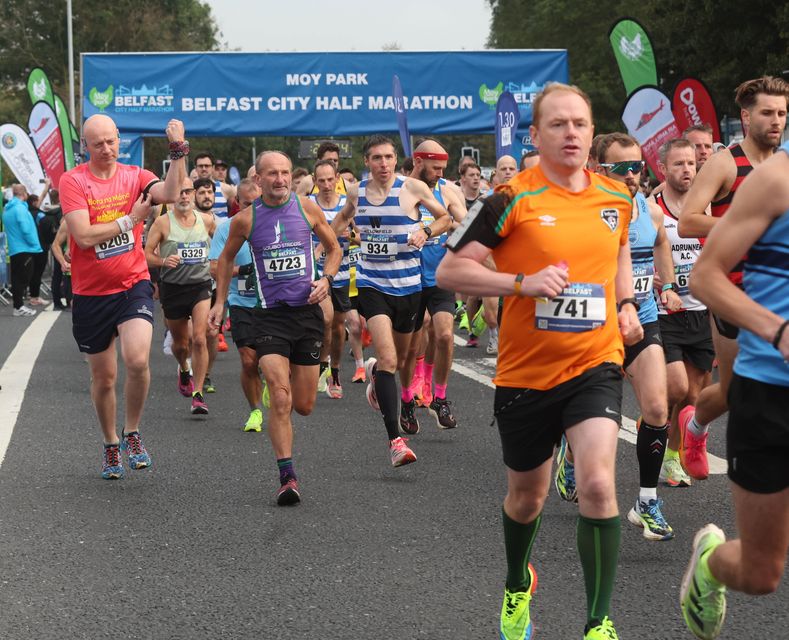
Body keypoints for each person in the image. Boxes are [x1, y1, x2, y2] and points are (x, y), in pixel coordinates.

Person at [436, 83, 642, 640]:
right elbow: (450, 273)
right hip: (525, 375)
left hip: (595, 362)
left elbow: (619, 249)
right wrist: (520, 284)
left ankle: (598, 621)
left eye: (579, 123)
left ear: (592, 133)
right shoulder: (506, 199)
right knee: (527, 497)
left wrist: (624, 303)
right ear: (535, 135)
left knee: (599, 485)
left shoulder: (616, 198)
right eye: (558, 124)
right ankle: (514, 583)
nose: (571, 133)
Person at [679, 138, 789, 640]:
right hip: (769, 390)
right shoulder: (774, 180)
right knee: (761, 573)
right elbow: (705, 277)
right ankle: (710, 564)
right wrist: (777, 330)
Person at [208, 150, 340, 505]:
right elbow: (223, 260)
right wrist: (220, 302)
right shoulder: (245, 221)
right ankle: (287, 476)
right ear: (258, 179)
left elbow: (334, 248)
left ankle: (290, 390)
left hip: (306, 315)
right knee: (280, 399)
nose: (280, 179)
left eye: (285, 173)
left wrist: (326, 279)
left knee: (306, 405)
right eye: (272, 174)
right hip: (268, 317)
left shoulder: (307, 209)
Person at [59, 114, 187, 479]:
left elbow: (172, 192)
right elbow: (82, 236)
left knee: (136, 360)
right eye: (97, 143)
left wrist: (178, 150)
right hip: (90, 294)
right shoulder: (73, 181)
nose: (106, 149)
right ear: (85, 146)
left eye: (111, 141)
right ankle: (110, 443)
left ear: (119, 140)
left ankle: (132, 432)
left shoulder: (136, 176)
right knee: (104, 378)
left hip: (132, 285)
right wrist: (130, 221)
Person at [677, 76, 788, 480]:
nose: (776, 121)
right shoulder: (726, 162)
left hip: (778, 293)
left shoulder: (784, 167)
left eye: (781, 113)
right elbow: (688, 221)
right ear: (745, 116)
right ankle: (695, 427)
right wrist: (742, 226)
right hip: (731, 288)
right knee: (735, 389)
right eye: (767, 113)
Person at [330, 134, 451, 466]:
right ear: (367, 162)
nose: (383, 164)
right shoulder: (357, 193)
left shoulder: (413, 189)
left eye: (388, 157)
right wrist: (331, 242)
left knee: (399, 360)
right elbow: (338, 222)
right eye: (376, 158)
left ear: (396, 160)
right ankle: (395, 440)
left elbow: (446, 218)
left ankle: (375, 381)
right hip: (372, 284)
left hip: (409, 286)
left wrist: (426, 232)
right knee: (387, 359)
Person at [594, 132, 681, 541]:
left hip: (643, 319)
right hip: (595, 327)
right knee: (595, 422)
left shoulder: (648, 208)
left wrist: (667, 284)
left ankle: (646, 501)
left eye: (637, 167)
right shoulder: (586, 211)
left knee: (658, 409)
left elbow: (661, 240)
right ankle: (571, 456)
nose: (632, 175)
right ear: (598, 169)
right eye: (621, 168)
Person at [652, 139, 714, 488]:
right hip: (665, 312)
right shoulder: (653, 208)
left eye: (691, 163)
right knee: (676, 387)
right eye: (678, 164)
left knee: (693, 395)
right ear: (663, 168)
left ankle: (672, 458)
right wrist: (659, 279)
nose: (687, 169)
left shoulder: (705, 208)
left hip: (701, 311)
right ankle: (654, 432)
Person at [402, 138, 466, 430]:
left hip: (439, 275)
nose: (441, 173)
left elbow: (466, 227)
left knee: (444, 335)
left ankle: (439, 397)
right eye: (435, 168)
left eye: (443, 168)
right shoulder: (400, 190)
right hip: (408, 277)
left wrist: (452, 226)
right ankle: (406, 399)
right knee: (411, 343)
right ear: (418, 162)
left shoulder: (449, 190)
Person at [144, 177, 216, 415]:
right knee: (180, 344)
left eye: (188, 192)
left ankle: (198, 393)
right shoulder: (163, 223)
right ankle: (184, 368)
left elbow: (224, 248)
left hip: (200, 285)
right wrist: (163, 261)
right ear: (172, 196)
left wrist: (219, 264)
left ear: (194, 194)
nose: (184, 196)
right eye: (180, 192)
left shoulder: (207, 220)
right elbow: (145, 255)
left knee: (199, 338)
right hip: (173, 287)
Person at [208, 177, 265, 432]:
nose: (251, 209)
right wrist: (243, 270)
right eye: (247, 204)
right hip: (242, 303)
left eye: (257, 203)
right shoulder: (226, 228)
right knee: (248, 360)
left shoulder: (276, 224)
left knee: (274, 361)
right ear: (236, 202)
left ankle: (274, 384)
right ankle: (255, 410)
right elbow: (213, 268)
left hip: (275, 303)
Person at [309, 159, 351, 399]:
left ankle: (334, 370)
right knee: (324, 320)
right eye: (321, 180)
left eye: (329, 179)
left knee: (337, 327)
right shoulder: (307, 205)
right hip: (316, 273)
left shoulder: (346, 204)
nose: (326, 184)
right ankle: (321, 363)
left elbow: (362, 235)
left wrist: (350, 235)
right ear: (315, 182)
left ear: (337, 180)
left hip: (342, 273)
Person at [193, 176, 225, 386]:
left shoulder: (223, 224)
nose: (207, 196)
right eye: (202, 193)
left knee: (212, 334)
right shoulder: (184, 220)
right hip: (189, 283)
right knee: (193, 336)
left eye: (210, 192)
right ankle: (188, 365)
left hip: (214, 284)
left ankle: (205, 374)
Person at [3, 184, 43, 316]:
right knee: (24, 277)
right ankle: (19, 306)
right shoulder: (20, 208)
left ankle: (18, 306)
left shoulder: (7, 209)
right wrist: (35, 244)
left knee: (16, 278)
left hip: (15, 248)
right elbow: (26, 229)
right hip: (25, 248)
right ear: (24, 194)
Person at [194, 153, 236, 218]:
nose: (204, 169)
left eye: (207, 166)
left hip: (221, 227)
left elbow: (236, 210)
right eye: (200, 166)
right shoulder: (190, 189)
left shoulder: (225, 188)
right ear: (195, 168)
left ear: (213, 167)